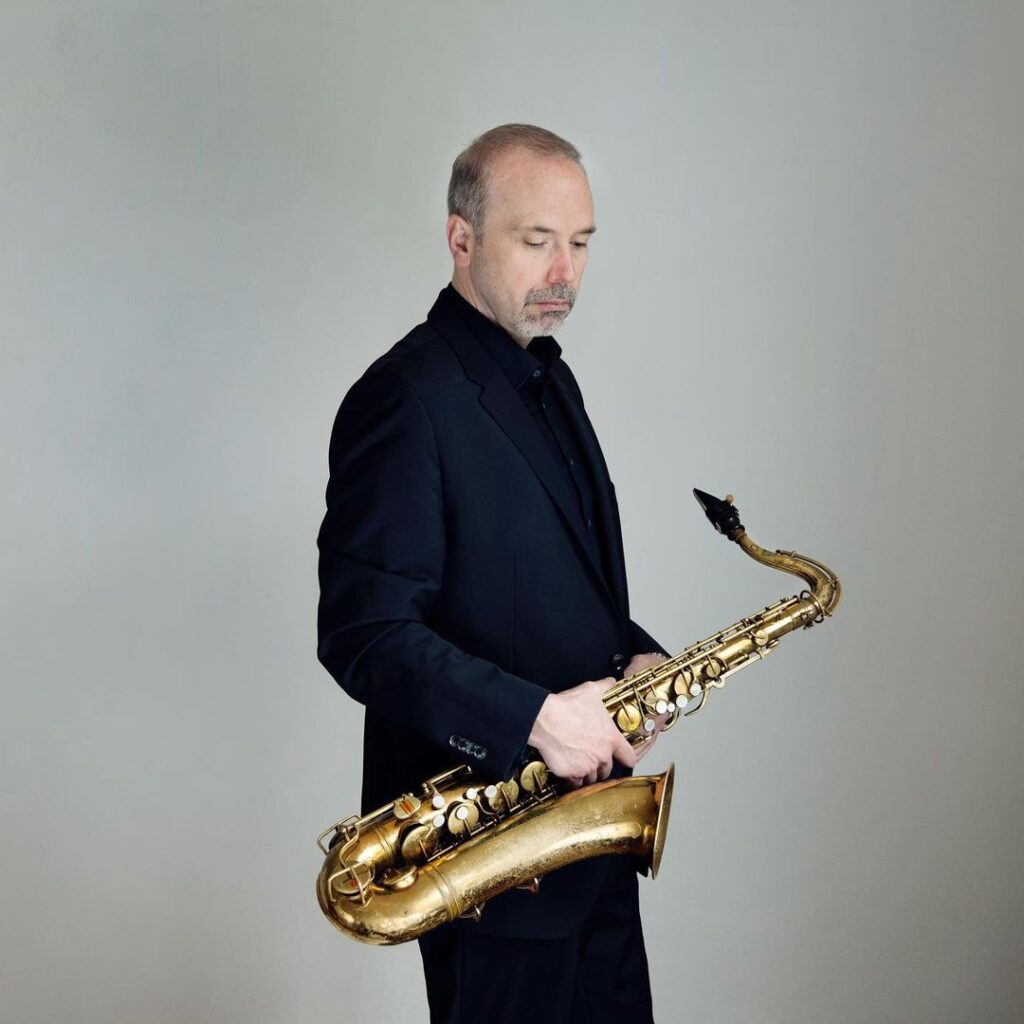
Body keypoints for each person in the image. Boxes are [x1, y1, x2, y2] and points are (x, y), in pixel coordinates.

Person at [317, 123, 670, 1023]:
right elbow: (364, 634)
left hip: (588, 854)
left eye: (582, 243)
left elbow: (555, 589)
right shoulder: (402, 398)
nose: (565, 272)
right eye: (536, 240)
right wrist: (535, 719)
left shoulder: (553, 382)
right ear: (461, 239)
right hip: (493, 871)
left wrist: (639, 662)